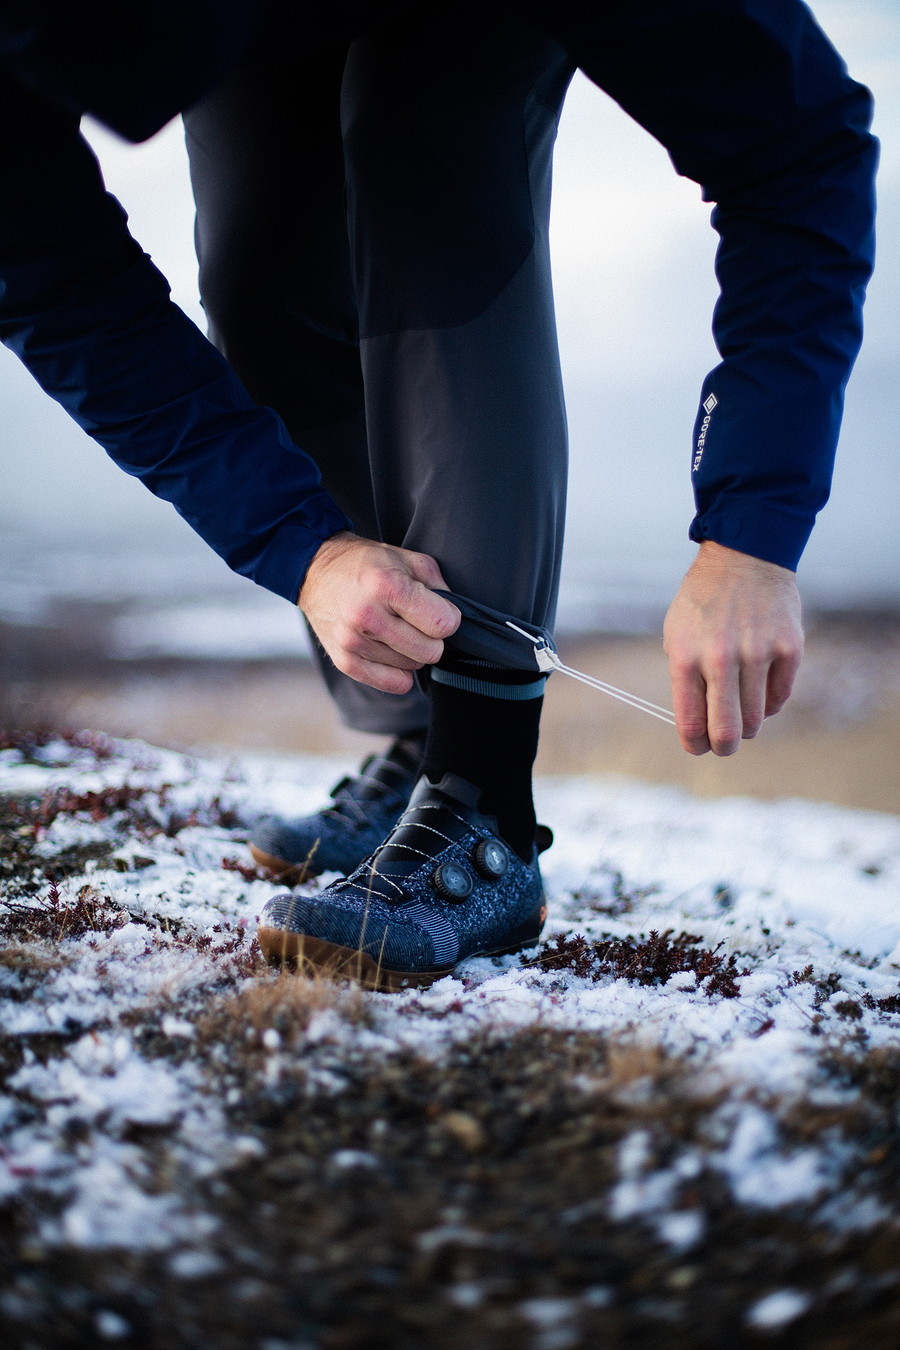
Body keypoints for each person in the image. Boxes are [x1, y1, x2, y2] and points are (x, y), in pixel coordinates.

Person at [0, 3, 877, 989]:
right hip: (236, 42)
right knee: (260, 258)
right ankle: (416, 748)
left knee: (426, 145)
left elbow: (801, 151)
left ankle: (480, 800)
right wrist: (306, 548)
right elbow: (50, 283)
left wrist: (750, 533)